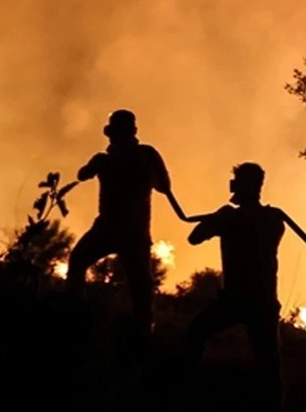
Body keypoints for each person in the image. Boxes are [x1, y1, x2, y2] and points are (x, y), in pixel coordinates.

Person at [65, 109, 172, 352]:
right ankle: (139, 332)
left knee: (137, 282)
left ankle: (78, 317)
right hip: (121, 229)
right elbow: (164, 186)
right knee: (138, 283)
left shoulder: (138, 156)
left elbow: (163, 186)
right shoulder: (134, 157)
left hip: (121, 230)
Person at [183, 162, 287, 410]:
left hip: (236, 300)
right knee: (269, 363)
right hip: (262, 301)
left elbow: (194, 238)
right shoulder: (273, 219)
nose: (233, 187)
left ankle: (191, 393)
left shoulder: (231, 218)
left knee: (195, 334)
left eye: (236, 182)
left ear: (242, 186)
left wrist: (220, 217)